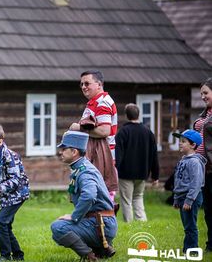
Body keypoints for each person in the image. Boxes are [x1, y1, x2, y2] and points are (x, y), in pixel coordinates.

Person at [51, 131, 117, 261]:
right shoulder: (81, 167)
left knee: (58, 228)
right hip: (99, 222)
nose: (61, 152)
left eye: (64, 149)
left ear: (74, 152)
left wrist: (74, 217)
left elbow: (89, 196)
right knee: (58, 232)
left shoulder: (85, 171)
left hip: (102, 224)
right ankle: (100, 249)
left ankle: (89, 256)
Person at [0, 124, 29, 262]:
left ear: (0, 141)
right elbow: (2, 177)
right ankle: (18, 256)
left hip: (18, 194)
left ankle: (5, 256)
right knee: (6, 225)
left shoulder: (10, 156)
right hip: (8, 194)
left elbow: (15, 179)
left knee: (0, 222)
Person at [69, 70, 118, 202]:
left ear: (99, 84)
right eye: (81, 84)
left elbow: (104, 131)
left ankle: (104, 221)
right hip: (96, 155)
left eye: (87, 83)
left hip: (102, 156)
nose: (84, 87)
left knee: (98, 196)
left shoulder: (102, 102)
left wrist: (78, 128)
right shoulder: (95, 101)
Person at [115, 103, 159, 222]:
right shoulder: (148, 132)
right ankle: (141, 221)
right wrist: (155, 176)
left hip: (126, 173)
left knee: (126, 200)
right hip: (142, 173)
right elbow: (154, 155)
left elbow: (118, 155)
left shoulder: (122, 132)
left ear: (126, 115)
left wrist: (115, 171)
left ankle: (129, 224)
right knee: (138, 197)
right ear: (138, 114)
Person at [172, 130, 207, 253]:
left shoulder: (194, 162)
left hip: (191, 197)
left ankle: (192, 251)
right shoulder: (183, 160)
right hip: (183, 197)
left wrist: (189, 200)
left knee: (191, 226)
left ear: (193, 145)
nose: (180, 144)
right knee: (187, 226)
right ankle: (187, 249)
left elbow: (196, 183)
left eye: (183, 141)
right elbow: (179, 181)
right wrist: (176, 199)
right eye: (180, 141)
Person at [193, 77, 212, 251]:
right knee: (208, 210)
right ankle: (211, 244)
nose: (203, 97)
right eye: (201, 94)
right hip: (203, 170)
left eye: (206, 93)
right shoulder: (204, 115)